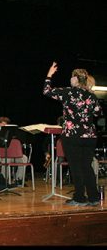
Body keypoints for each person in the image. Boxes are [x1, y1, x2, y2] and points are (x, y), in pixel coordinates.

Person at [43, 62, 103, 206]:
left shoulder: (68, 92)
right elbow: (98, 113)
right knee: (86, 166)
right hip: (89, 136)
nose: (70, 79)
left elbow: (46, 91)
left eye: (72, 77)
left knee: (76, 166)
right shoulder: (91, 95)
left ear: (76, 79)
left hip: (72, 135)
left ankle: (80, 198)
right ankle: (94, 197)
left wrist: (49, 75)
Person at [0, 116, 29, 186]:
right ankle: (3, 180)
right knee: (6, 159)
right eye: (2, 124)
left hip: (12, 154)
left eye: (6, 124)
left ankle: (18, 179)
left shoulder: (11, 133)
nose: (4, 126)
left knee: (24, 158)